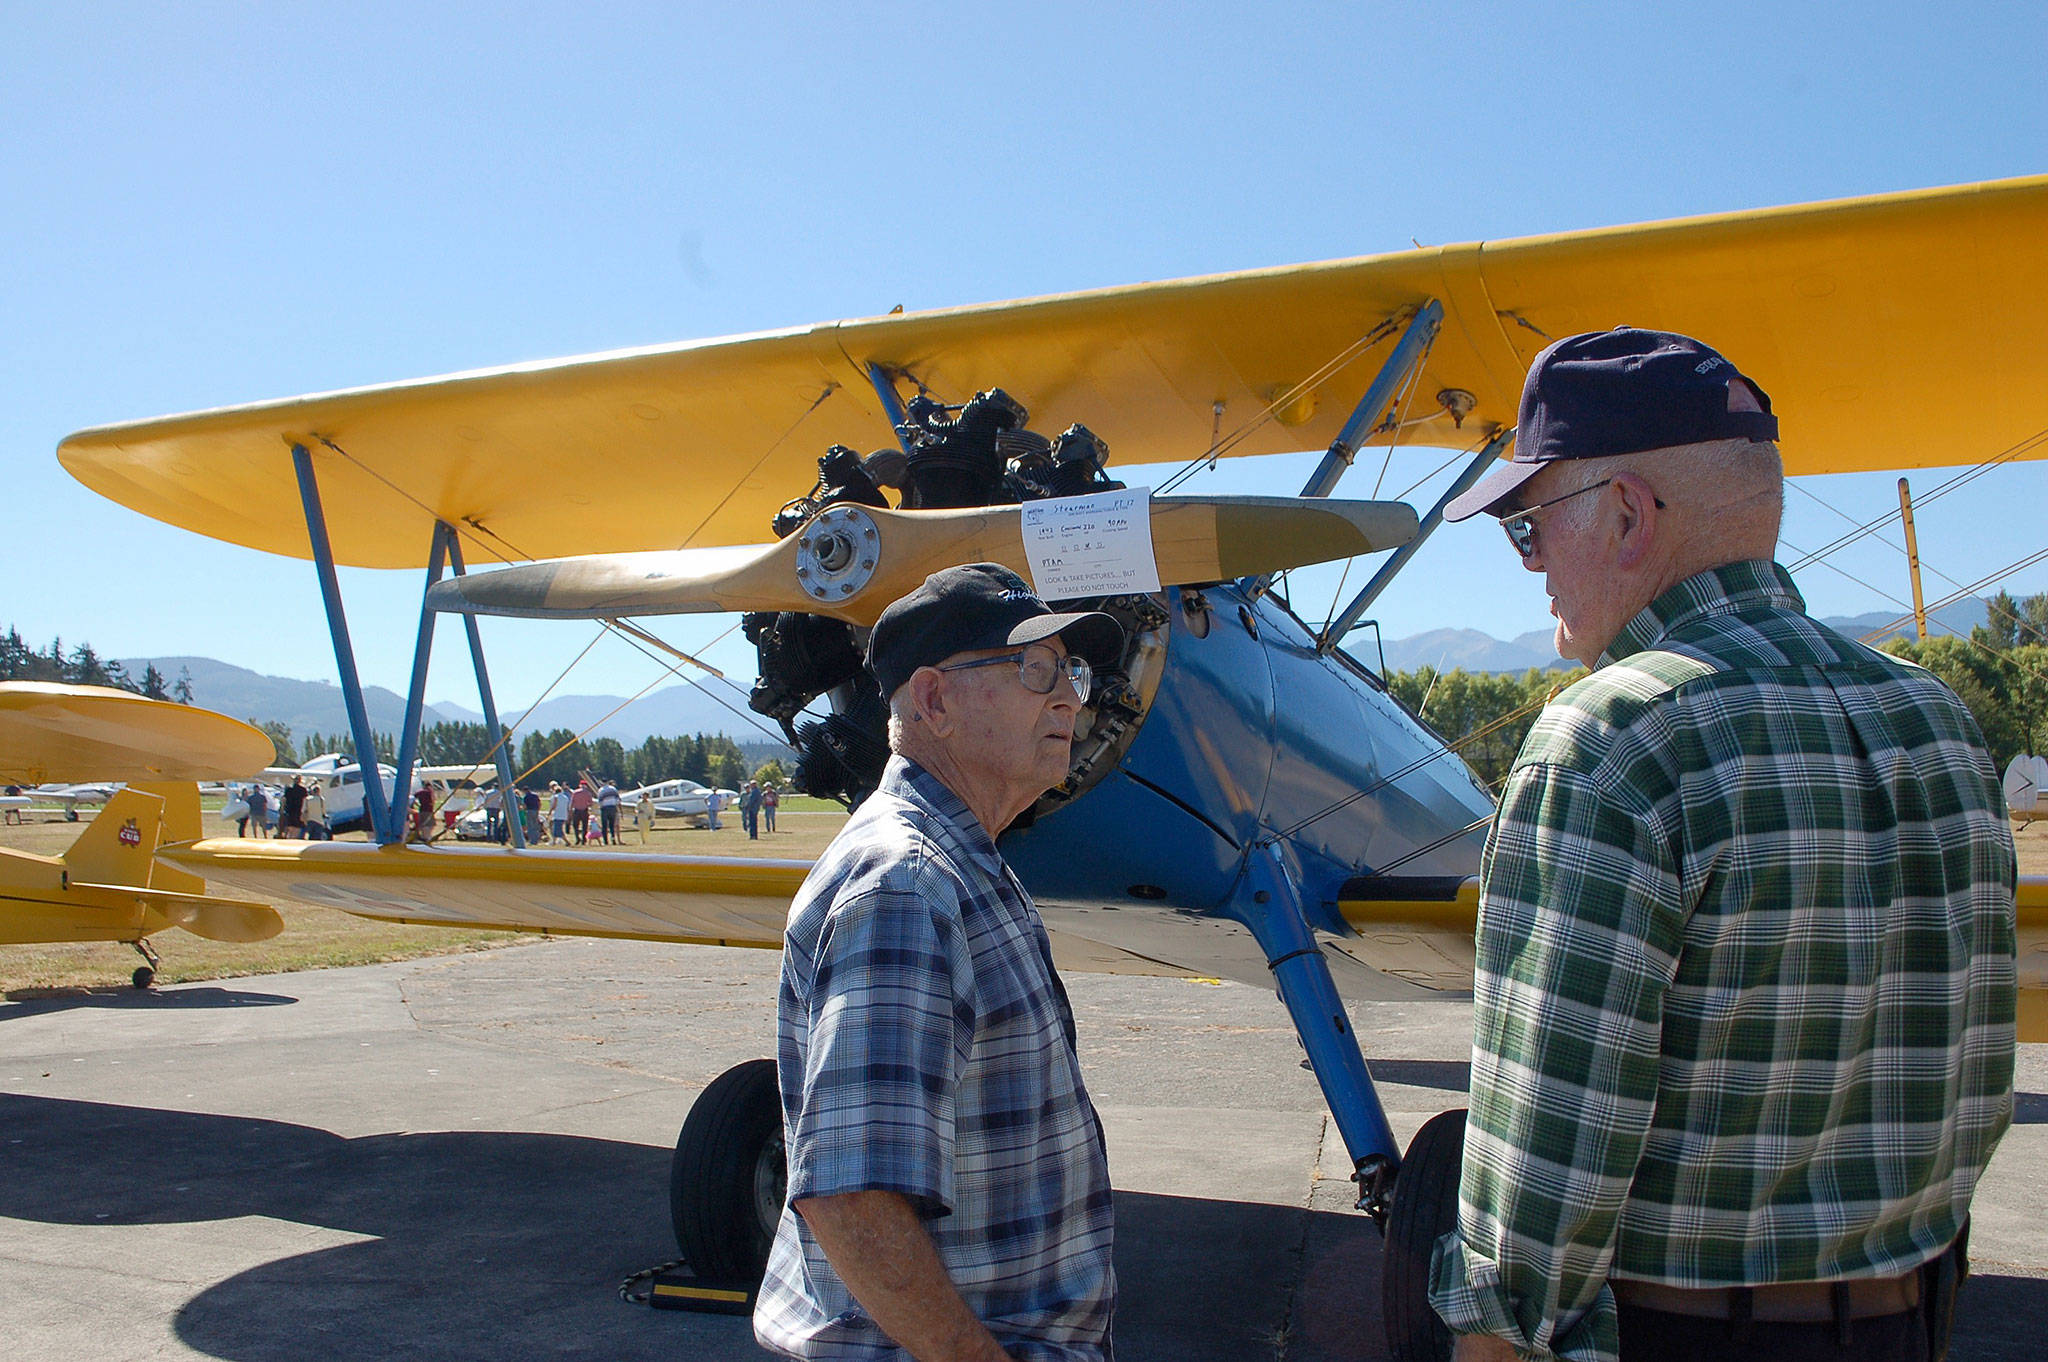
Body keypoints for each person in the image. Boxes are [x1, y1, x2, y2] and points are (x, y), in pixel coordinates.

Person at [1427, 328, 2017, 1362]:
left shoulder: (1609, 739)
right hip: (1903, 1319)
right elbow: (1975, 1080)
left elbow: (1546, 1158)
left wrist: (1493, 1335)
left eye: (1528, 527)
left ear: (1622, 514)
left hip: (1681, 1334)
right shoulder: (1938, 720)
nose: (1531, 566)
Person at [755, 562, 1124, 1362]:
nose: (1070, 697)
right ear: (932, 701)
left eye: (1073, 671)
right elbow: (852, 1197)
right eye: (1035, 669)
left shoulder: (962, 862)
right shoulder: (907, 884)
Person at [598, 777, 621, 845]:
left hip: (605, 808)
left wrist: (601, 807)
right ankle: (613, 839)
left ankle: (606, 841)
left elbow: (600, 801)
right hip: (613, 807)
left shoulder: (601, 790)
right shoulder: (613, 789)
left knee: (604, 826)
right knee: (612, 825)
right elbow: (617, 799)